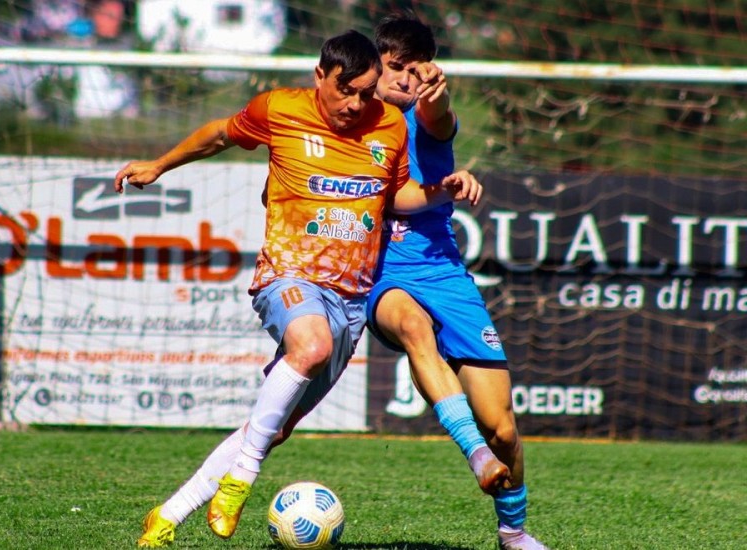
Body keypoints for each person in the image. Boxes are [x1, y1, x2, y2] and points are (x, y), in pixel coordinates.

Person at [114, 30, 481, 548]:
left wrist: (442, 189)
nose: (356, 104)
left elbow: (399, 195)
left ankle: (168, 515)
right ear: (319, 76)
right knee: (311, 346)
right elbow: (220, 133)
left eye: (366, 92)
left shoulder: (389, 127)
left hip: (350, 300)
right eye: (345, 90)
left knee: (276, 424)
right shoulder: (279, 109)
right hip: (288, 276)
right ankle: (241, 479)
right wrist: (159, 165)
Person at [367, 13, 548, 550]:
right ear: (376, 65)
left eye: (415, 71)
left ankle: (513, 533)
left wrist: (436, 97)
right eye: (395, 67)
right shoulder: (355, 119)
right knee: (413, 326)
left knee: (505, 429)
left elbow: (438, 115)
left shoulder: (429, 114)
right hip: (382, 272)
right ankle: (474, 454)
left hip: (444, 272)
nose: (404, 79)